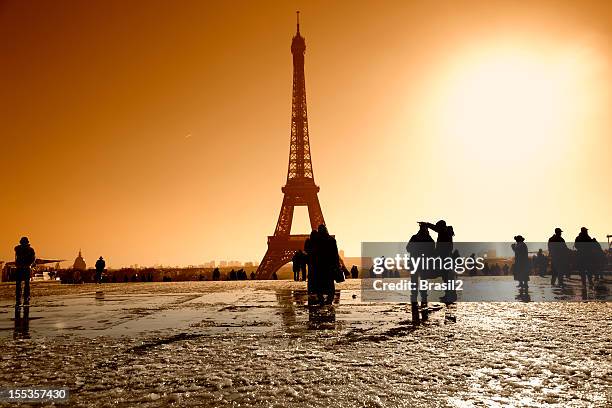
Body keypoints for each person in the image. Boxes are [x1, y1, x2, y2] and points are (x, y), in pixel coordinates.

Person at [419, 220, 455, 303]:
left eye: (438, 227)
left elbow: (440, 247)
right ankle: (448, 295)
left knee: (446, 277)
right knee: (446, 277)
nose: (437, 229)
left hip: (445, 257)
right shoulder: (446, 231)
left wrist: (427, 224)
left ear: (441, 226)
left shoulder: (444, 232)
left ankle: (449, 296)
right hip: (446, 257)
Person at [406, 223, 435, 322]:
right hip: (423, 262)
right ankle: (423, 294)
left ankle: (414, 294)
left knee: (414, 279)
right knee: (423, 279)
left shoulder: (414, 237)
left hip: (415, 261)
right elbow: (433, 249)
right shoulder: (428, 239)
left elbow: (408, 248)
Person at [14, 237, 36, 307]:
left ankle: (19, 299)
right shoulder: (30, 250)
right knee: (25, 285)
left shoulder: (18, 249)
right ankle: (25, 298)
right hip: (25, 268)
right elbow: (33, 259)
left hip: (20, 268)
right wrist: (29, 264)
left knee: (19, 285)